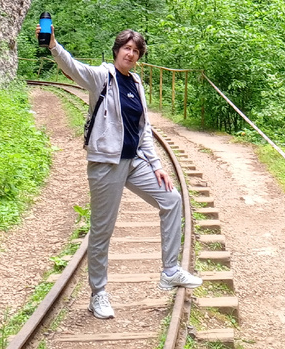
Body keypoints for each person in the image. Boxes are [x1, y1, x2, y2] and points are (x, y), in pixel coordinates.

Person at [49, 27, 203, 320]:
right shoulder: (101, 77)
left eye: (136, 50)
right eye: (126, 48)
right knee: (102, 231)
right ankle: (98, 295)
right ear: (116, 50)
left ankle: (170, 271)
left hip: (134, 162)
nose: (130, 54)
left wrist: (157, 165)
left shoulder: (136, 82)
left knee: (171, 199)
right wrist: (54, 45)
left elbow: (144, 128)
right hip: (106, 164)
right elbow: (72, 66)